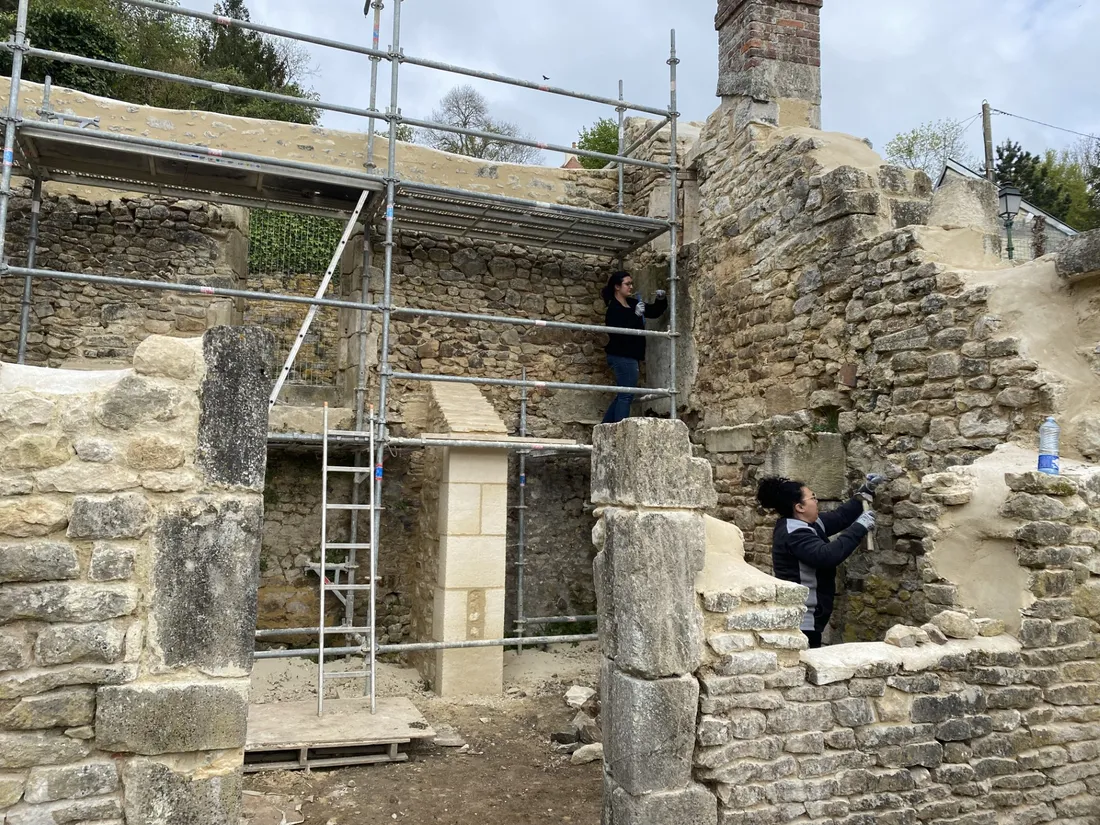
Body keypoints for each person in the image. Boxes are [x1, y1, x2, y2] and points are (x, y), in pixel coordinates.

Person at [756, 473, 886, 648]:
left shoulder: (811, 524)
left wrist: (866, 491)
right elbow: (827, 556)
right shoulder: (793, 534)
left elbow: (841, 517)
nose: (816, 501)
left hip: (812, 618)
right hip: (801, 621)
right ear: (800, 507)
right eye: (812, 498)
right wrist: (859, 528)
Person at [599, 270, 668, 425]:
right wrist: (635, 316)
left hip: (631, 355)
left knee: (624, 394)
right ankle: (620, 430)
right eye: (627, 284)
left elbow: (653, 311)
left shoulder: (632, 303)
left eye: (631, 284)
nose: (630, 287)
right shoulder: (613, 309)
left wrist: (661, 299)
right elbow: (618, 332)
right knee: (627, 394)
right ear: (617, 287)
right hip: (621, 355)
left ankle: (605, 427)